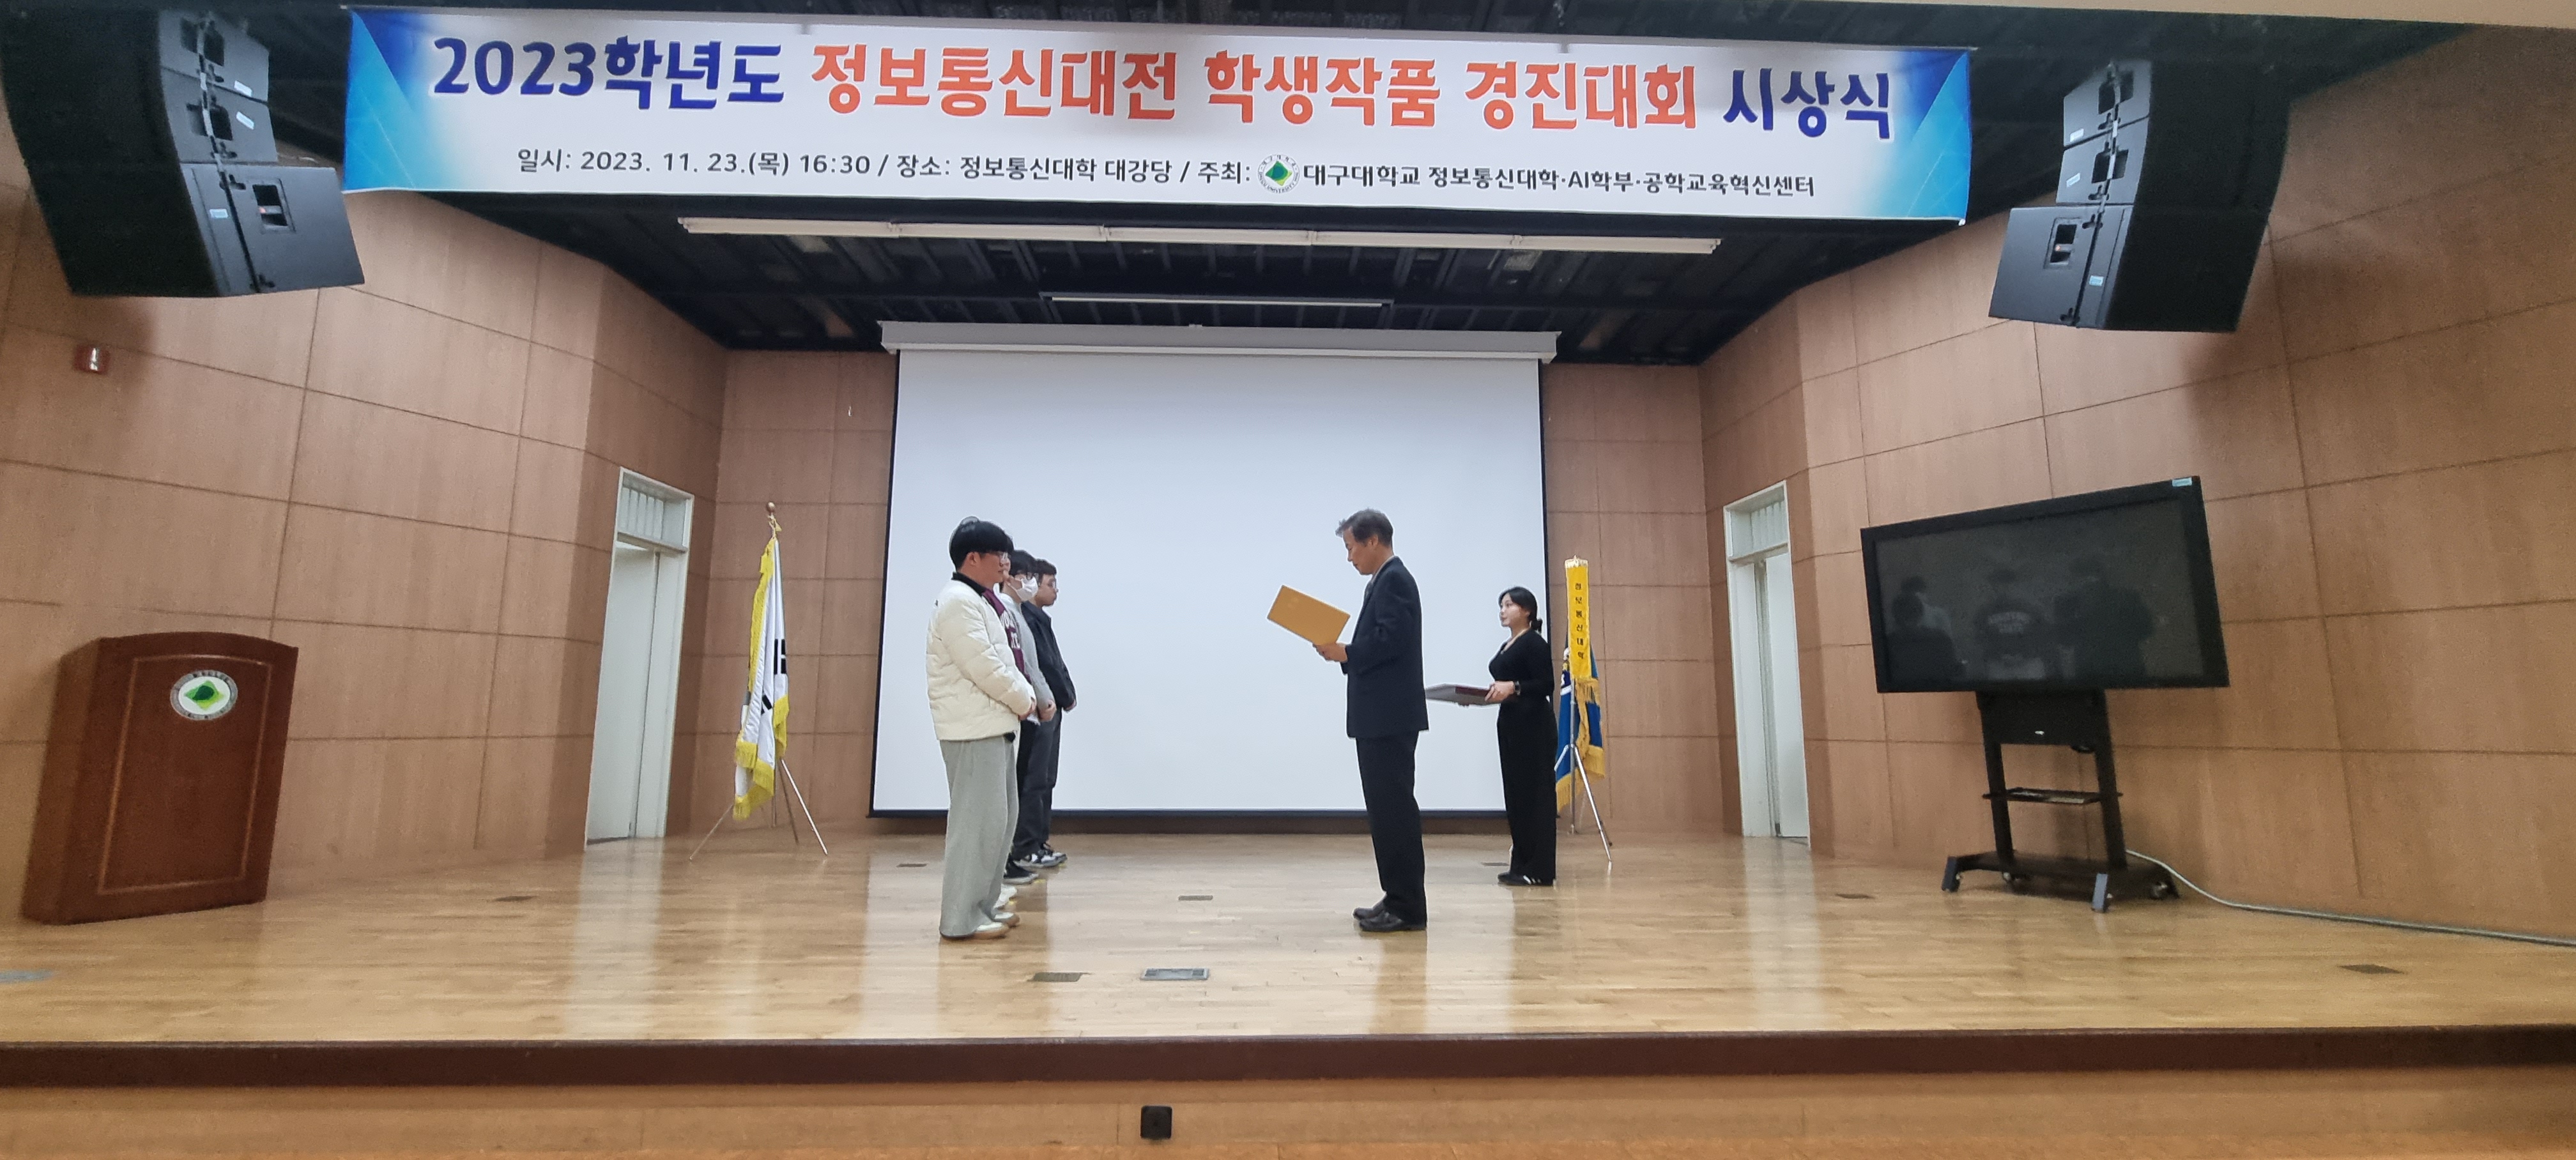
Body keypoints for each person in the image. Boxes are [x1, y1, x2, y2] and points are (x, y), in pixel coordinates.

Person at [925, 517, 1046, 942]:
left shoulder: (981, 600)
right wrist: (1025, 698)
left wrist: (1022, 698)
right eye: (1000, 555)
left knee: (998, 823)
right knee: (975, 826)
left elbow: (1002, 660)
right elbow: (987, 667)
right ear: (973, 558)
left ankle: (983, 904)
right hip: (972, 730)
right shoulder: (958, 601)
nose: (1006, 563)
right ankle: (960, 918)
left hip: (993, 727)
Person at [1312, 508, 1429, 933]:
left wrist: (1347, 652)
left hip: (1389, 717)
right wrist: (1348, 653)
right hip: (1380, 717)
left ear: (1373, 540)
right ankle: (1395, 896)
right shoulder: (1382, 581)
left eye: (1351, 548)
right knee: (1384, 812)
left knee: (1394, 812)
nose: (1350, 558)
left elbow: (1392, 640)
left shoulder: (1395, 579)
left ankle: (1409, 907)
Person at [1484, 586, 1556, 887]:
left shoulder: (1534, 643)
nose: (1503, 611)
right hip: (1512, 724)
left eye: (1509, 605)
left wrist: (1514, 687)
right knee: (1516, 796)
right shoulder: (1508, 644)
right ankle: (1521, 865)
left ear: (1527, 610)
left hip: (1533, 727)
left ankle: (1539, 870)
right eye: (1501, 606)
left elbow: (1546, 684)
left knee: (1535, 796)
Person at [993, 553, 1056, 889]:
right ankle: (1008, 858)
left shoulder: (1018, 613)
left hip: (1030, 708)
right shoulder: (1004, 612)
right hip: (1021, 710)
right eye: (1027, 576)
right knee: (1017, 787)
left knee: (1022, 786)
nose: (1030, 583)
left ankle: (1010, 858)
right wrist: (1039, 700)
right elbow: (1023, 666)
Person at [1010, 552, 1076, 871]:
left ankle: (1037, 842)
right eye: (1050, 583)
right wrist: (1061, 696)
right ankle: (1026, 845)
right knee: (1034, 780)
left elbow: (1054, 663)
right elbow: (1043, 667)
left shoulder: (1038, 619)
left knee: (1045, 779)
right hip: (1040, 709)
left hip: (1050, 705)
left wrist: (1066, 695)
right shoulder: (1025, 619)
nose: (1055, 590)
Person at [2053, 556, 2158, 683]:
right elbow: (2146, 630)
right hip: (2127, 669)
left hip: (2091, 672)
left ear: (2075, 577)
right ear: (2102, 575)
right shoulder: (2128, 597)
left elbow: (2064, 640)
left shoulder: (2065, 602)